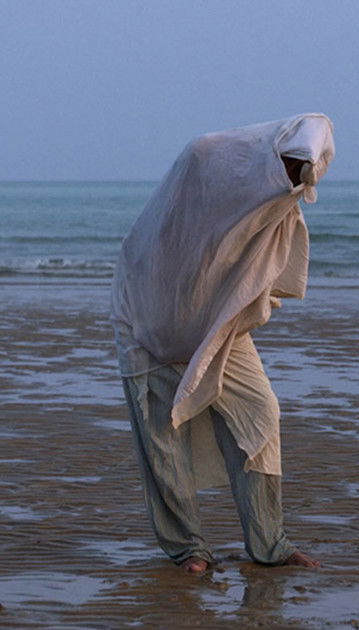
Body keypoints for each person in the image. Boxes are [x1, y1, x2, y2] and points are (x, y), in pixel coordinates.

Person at [111, 112, 335, 573]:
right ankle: (188, 548)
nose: (293, 178)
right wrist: (167, 320)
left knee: (260, 413)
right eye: (290, 166)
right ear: (274, 153)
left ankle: (270, 543)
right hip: (145, 308)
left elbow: (258, 264)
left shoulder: (283, 200)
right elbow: (168, 240)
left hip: (218, 323)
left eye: (302, 173)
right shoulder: (208, 156)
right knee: (161, 435)